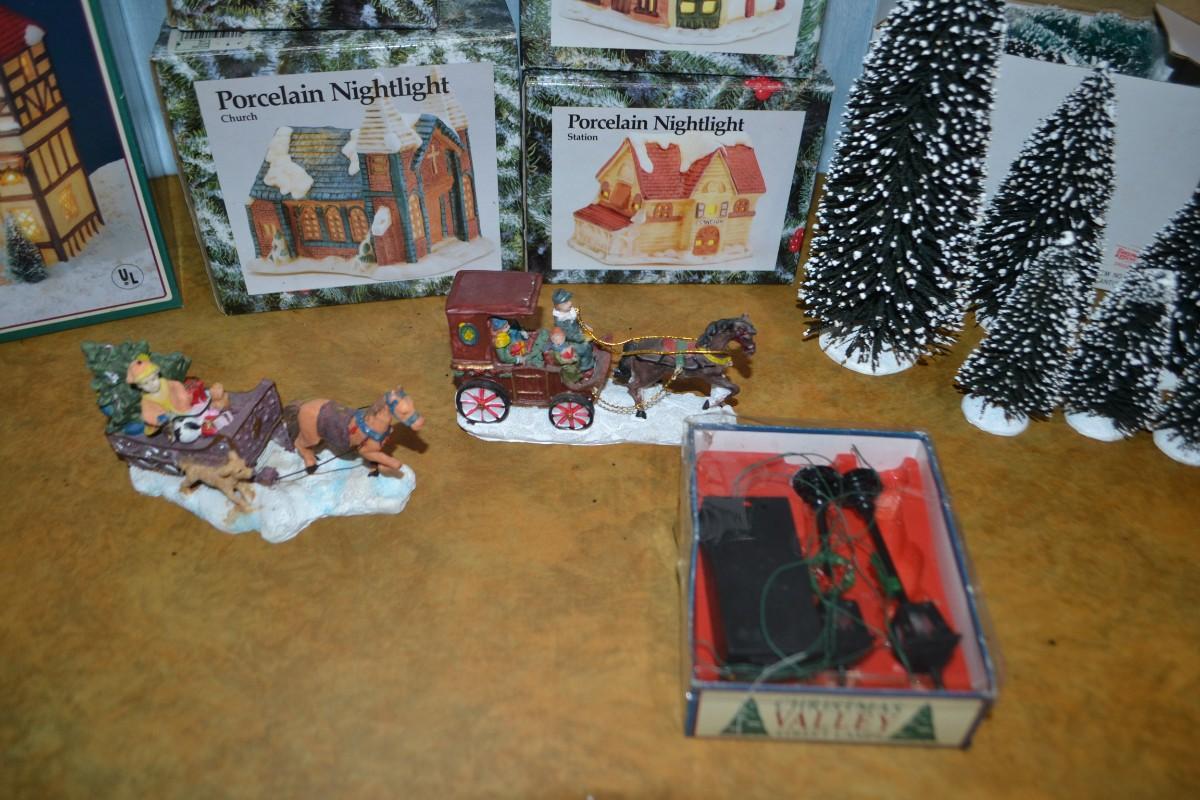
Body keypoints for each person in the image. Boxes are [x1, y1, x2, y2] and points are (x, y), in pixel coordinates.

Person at [126, 354, 229, 439]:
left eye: (153, 379)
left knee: (205, 407)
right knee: (185, 432)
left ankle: (216, 410)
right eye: (146, 383)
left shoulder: (166, 383)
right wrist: (160, 419)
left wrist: (183, 399)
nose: (152, 384)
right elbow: (148, 416)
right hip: (174, 420)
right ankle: (203, 428)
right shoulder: (147, 400)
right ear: (139, 386)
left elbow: (178, 387)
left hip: (185, 409)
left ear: (157, 375)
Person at [551, 289, 595, 372]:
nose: (570, 303)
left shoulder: (570, 312)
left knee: (590, 342)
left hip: (577, 333)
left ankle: (590, 356)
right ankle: (585, 366)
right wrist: (582, 337)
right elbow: (569, 335)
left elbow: (578, 321)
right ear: (558, 306)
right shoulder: (561, 321)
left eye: (569, 301)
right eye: (565, 303)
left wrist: (585, 326)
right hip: (568, 342)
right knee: (584, 348)